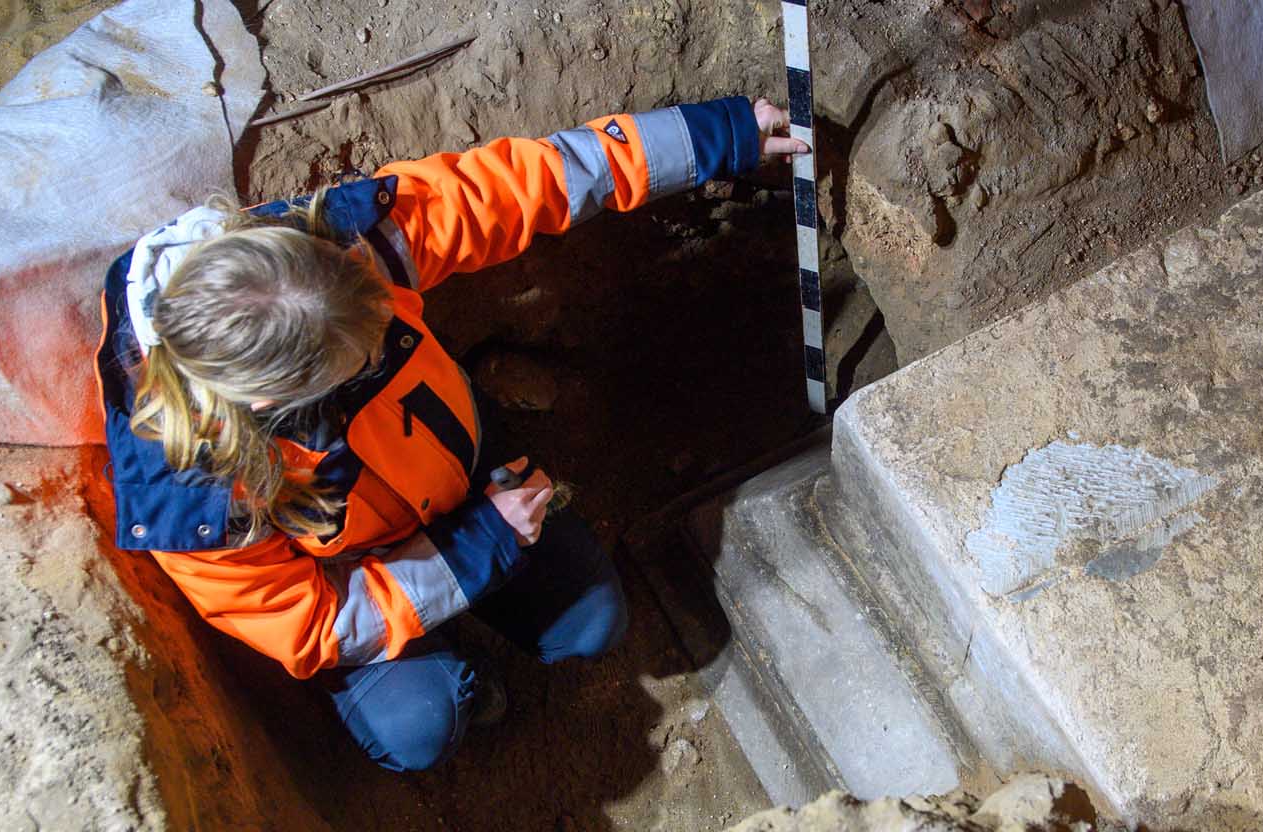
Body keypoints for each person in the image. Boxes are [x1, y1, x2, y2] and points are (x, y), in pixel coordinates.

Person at [93, 96, 808, 771]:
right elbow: (313, 626)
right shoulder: (194, 498)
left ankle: (467, 605)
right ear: (279, 399)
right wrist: (479, 546)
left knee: (590, 622)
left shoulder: (336, 251)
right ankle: (433, 679)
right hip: (361, 580)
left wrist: (714, 135)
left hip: (452, 479)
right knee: (423, 724)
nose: (386, 341)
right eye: (364, 358)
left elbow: (515, 184)